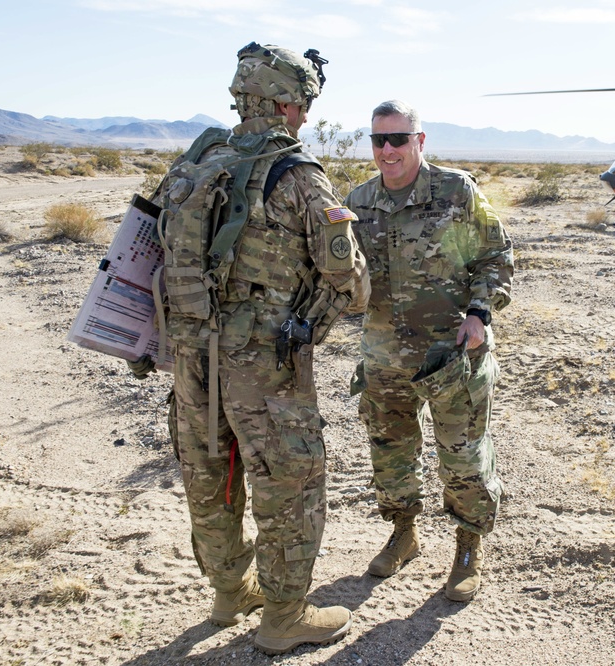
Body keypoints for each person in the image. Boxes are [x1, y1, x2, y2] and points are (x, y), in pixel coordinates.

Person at [148, 42, 370, 655]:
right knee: (289, 483)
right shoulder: (297, 175)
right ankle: (283, 616)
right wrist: (307, 326)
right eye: (301, 103)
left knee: (208, 472)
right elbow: (348, 282)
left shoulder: (194, 164)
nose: (303, 115)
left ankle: (228, 592)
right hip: (263, 364)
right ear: (282, 102)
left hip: (193, 357)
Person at [343, 100, 513, 602]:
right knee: (390, 455)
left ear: (420, 140)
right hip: (384, 358)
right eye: (379, 140)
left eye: (399, 139)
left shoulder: (455, 190)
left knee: (463, 458)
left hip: (451, 357)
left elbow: (496, 254)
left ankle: (467, 548)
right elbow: (345, 277)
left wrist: (480, 313)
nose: (388, 150)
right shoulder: (360, 201)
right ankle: (403, 534)